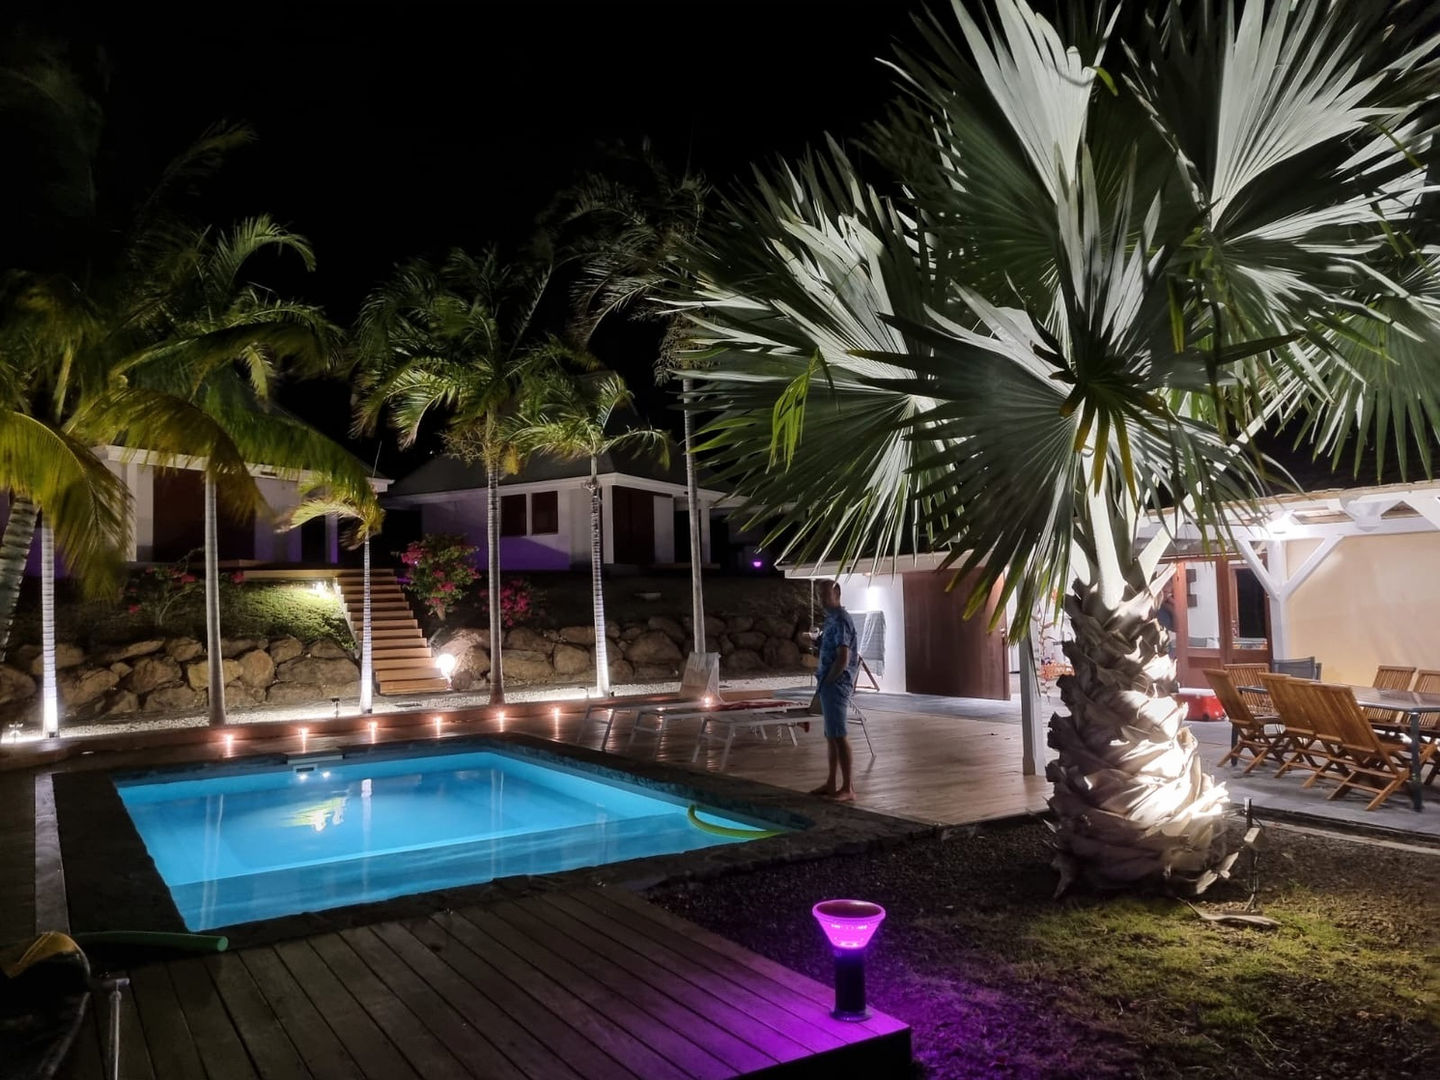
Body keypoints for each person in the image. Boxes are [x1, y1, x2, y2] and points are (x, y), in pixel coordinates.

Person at [811, 579, 860, 801]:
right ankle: (831, 782)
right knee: (831, 735)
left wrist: (831, 680)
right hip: (827, 682)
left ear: (837, 593)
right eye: (818, 594)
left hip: (836, 683)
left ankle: (848, 787)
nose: (820, 599)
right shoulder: (830, 620)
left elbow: (843, 656)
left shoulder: (840, 619)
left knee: (839, 735)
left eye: (824, 594)